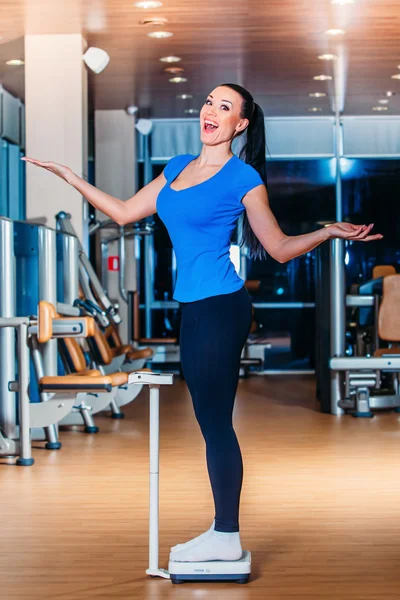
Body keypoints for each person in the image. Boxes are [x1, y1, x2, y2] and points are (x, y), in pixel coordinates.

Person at [22, 83, 383, 563]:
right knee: (207, 419)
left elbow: (275, 247)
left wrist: (325, 232)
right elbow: (126, 212)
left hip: (221, 304)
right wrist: (70, 176)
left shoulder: (243, 178)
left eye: (225, 107)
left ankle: (226, 534)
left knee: (215, 422)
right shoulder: (175, 169)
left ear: (241, 125)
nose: (211, 110)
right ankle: (222, 531)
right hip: (191, 307)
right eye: (210, 101)